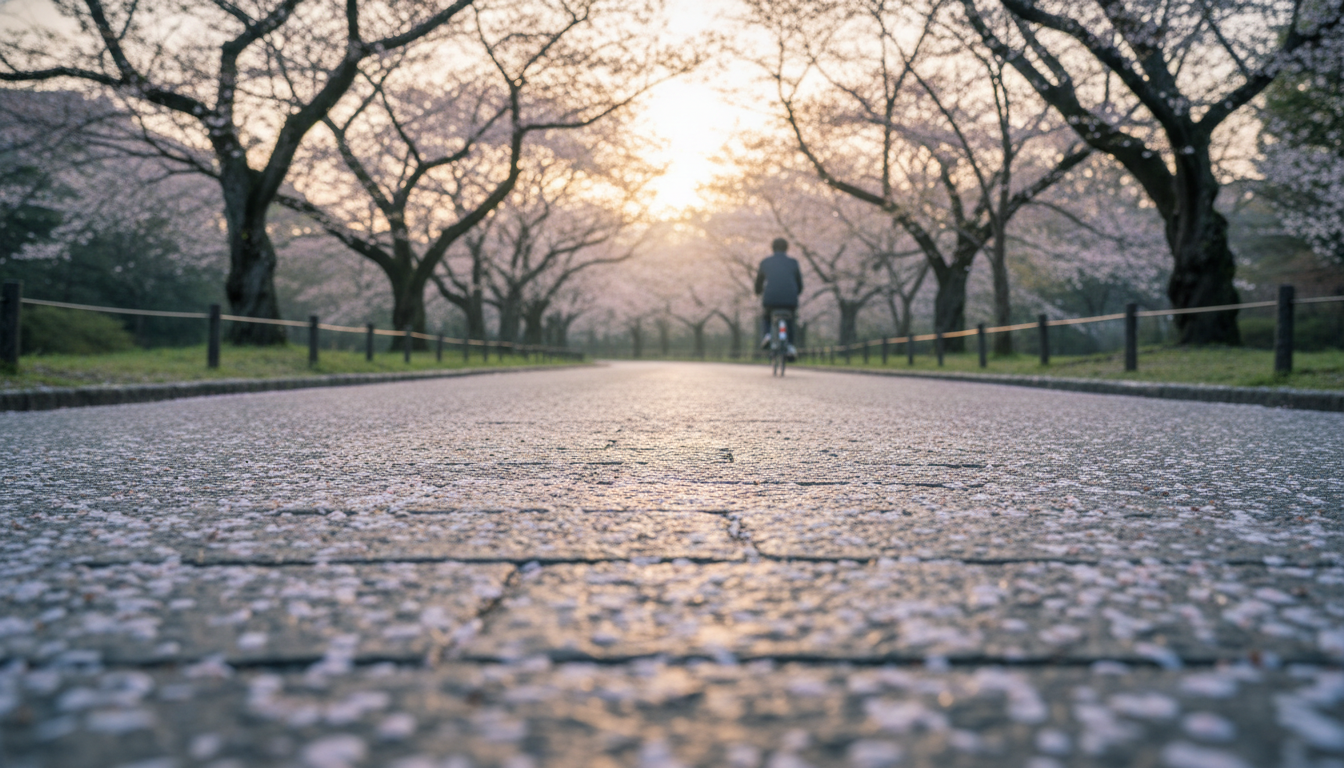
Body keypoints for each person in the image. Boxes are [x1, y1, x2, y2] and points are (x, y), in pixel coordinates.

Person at [755, 237, 802, 359]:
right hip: (790, 299)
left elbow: (759, 282)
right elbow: (800, 284)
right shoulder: (793, 262)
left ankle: (768, 335)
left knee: (766, 317)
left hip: (771, 298)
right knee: (791, 320)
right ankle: (790, 345)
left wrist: (758, 291)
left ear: (772, 248)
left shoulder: (765, 262)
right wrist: (796, 293)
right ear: (787, 248)